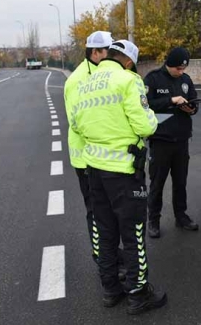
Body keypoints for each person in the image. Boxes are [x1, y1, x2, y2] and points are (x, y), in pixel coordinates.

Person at [71, 39, 167, 314]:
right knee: (134, 232)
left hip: (94, 172)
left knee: (105, 231)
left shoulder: (85, 82)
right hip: (125, 173)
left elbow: (76, 124)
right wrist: (147, 117)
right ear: (128, 60)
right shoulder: (129, 80)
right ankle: (138, 294)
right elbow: (145, 126)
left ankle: (110, 289)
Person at [63, 31, 112, 268]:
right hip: (85, 159)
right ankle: (100, 256)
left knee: (107, 210)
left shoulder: (101, 74)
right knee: (95, 210)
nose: (110, 56)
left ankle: (109, 253)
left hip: (101, 157)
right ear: (95, 52)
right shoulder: (77, 80)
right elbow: (76, 121)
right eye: (107, 52)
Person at [144, 47, 200, 239]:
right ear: (169, 64)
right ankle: (153, 220)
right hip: (161, 141)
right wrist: (171, 100)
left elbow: (194, 102)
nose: (181, 72)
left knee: (180, 182)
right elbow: (145, 105)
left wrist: (191, 108)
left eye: (183, 68)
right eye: (178, 68)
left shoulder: (186, 80)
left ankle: (181, 216)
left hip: (181, 140)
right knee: (157, 183)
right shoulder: (152, 79)